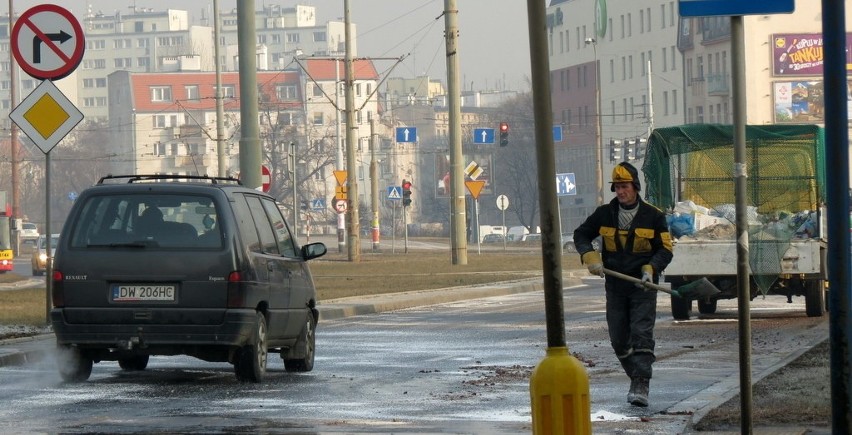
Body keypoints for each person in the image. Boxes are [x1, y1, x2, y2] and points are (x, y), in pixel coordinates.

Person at [573, 161, 673, 407]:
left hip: (643, 286)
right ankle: (635, 375)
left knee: (641, 334)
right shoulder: (604, 214)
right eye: (617, 187)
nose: (620, 191)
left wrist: (652, 268)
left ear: (635, 187)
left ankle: (641, 383)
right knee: (619, 339)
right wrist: (591, 256)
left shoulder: (654, 216)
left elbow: (665, 249)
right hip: (616, 287)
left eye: (625, 186)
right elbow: (581, 234)